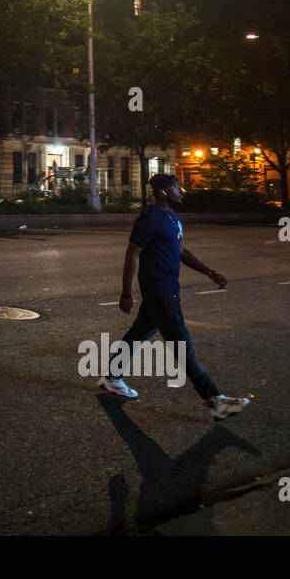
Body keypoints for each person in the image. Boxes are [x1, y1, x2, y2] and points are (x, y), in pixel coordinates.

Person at [100, 172, 251, 421]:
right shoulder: (150, 219)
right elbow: (132, 255)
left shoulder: (171, 217)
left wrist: (208, 272)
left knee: (137, 336)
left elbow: (180, 250)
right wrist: (126, 292)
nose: (181, 191)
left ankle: (111, 377)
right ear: (163, 192)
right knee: (183, 346)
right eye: (177, 187)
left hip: (165, 291)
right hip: (161, 293)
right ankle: (214, 400)